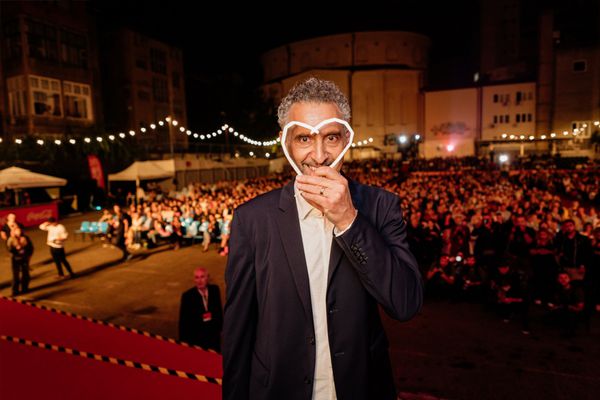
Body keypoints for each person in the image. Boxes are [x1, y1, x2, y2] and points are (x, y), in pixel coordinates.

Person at [223, 78, 423, 400]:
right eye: (304, 137)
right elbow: (238, 330)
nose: (319, 155)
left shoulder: (380, 206)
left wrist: (348, 218)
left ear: (346, 138)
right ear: (285, 143)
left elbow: (405, 302)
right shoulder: (252, 219)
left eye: (331, 137)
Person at [178, 267, 223, 351]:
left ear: (207, 278)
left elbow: (219, 312)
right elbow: (183, 322)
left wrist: (220, 330)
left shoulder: (215, 290)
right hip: (196, 340)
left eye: (202, 277)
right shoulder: (188, 296)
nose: (199, 281)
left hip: (213, 339)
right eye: (197, 277)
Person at [6, 227, 34, 295]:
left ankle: (25, 288)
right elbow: (9, 249)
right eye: (17, 231)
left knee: (26, 274)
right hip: (15, 259)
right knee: (16, 276)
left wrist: (27, 254)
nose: (19, 232)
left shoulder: (25, 238)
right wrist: (17, 250)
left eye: (19, 231)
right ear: (14, 232)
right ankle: (15, 291)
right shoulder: (11, 239)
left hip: (24, 259)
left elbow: (31, 247)